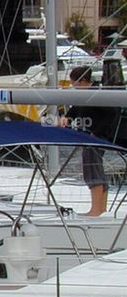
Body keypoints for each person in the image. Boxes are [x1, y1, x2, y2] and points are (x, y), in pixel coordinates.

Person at [64, 65, 118, 216]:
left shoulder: (96, 94)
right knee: (96, 169)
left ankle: (95, 209)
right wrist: (66, 119)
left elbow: (111, 114)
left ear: (82, 81)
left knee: (92, 171)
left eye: (74, 82)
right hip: (88, 137)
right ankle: (101, 209)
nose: (73, 86)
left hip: (94, 139)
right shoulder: (84, 96)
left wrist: (96, 133)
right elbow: (75, 111)